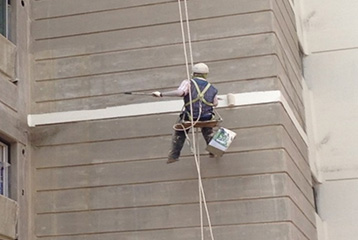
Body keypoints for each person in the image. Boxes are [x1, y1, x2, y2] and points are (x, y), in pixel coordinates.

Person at [152, 63, 219, 164]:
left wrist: (161, 94)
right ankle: (214, 150)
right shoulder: (212, 88)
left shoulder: (188, 83)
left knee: (180, 130)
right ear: (206, 74)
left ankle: (174, 155)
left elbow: (180, 93)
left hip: (191, 116)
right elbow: (215, 103)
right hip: (206, 117)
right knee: (207, 129)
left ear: (194, 73)